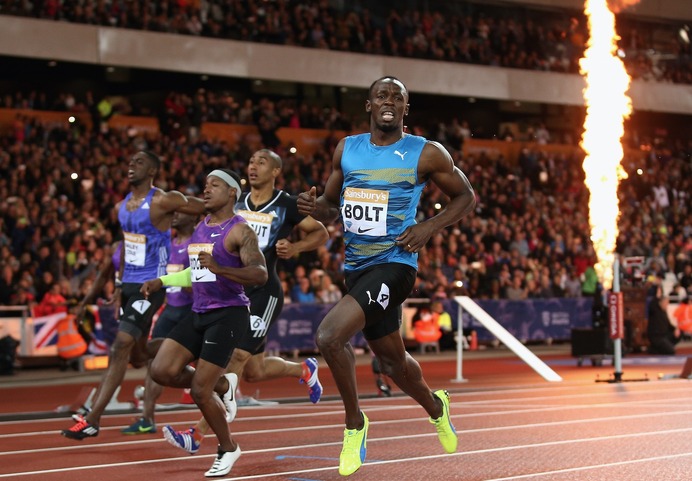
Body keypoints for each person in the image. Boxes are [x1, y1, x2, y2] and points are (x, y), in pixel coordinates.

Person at [297, 76, 476, 476]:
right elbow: (330, 204)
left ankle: (354, 424)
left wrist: (429, 227)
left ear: (405, 109)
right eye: (383, 95)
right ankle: (436, 406)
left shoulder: (425, 153)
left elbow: (466, 197)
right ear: (369, 105)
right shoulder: (347, 149)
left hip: (396, 264)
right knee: (394, 364)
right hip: (357, 268)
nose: (390, 101)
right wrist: (314, 206)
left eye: (398, 97)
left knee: (329, 336)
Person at [162, 148, 329, 454]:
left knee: (236, 358)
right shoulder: (234, 202)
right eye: (251, 161)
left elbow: (320, 233)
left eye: (262, 162)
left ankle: (198, 434)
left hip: (263, 293)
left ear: (275, 171)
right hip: (229, 290)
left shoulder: (287, 204)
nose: (253, 166)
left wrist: (296, 248)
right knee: (253, 371)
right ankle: (303, 370)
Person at [61, 150, 206, 440]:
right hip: (128, 285)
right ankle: (188, 348)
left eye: (138, 163)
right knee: (138, 355)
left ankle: (93, 418)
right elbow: (127, 246)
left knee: (120, 346)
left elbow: (206, 205)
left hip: (150, 285)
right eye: (129, 162)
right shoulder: (121, 207)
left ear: (152, 170)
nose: (131, 166)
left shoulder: (164, 200)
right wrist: (117, 285)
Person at [141, 168, 268, 477]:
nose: (206, 190)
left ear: (231, 193)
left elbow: (260, 274)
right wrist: (163, 280)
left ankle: (228, 448)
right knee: (160, 369)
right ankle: (223, 384)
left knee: (200, 390)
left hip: (228, 313)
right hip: (199, 311)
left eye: (214, 185)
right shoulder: (201, 226)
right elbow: (197, 273)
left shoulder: (240, 231)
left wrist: (222, 270)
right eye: (205, 184)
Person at [121, 211, 198, 434]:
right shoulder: (169, 243)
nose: (174, 216)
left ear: (192, 218)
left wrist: (193, 287)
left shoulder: (197, 242)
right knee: (153, 360)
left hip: (190, 310)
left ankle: (214, 405)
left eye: (179, 214)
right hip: (170, 309)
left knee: (203, 364)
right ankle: (147, 418)